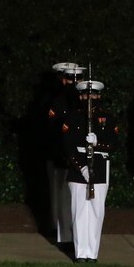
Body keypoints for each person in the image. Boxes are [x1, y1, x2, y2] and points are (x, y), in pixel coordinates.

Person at [63, 80, 119, 262]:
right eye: (86, 95)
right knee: (79, 212)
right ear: (80, 96)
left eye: (93, 95)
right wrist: (82, 167)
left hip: (101, 169)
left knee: (96, 212)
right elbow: (67, 146)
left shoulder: (108, 119)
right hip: (78, 169)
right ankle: (81, 253)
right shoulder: (71, 118)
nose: (90, 98)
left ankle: (92, 253)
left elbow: (114, 144)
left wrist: (97, 143)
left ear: (99, 96)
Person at [44, 62, 84, 246]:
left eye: (77, 79)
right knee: (63, 196)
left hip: (80, 155)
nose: (74, 83)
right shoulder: (58, 101)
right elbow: (53, 131)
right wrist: (61, 154)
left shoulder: (84, 101)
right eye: (70, 79)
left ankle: (76, 235)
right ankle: (65, 235)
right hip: (62, 155)